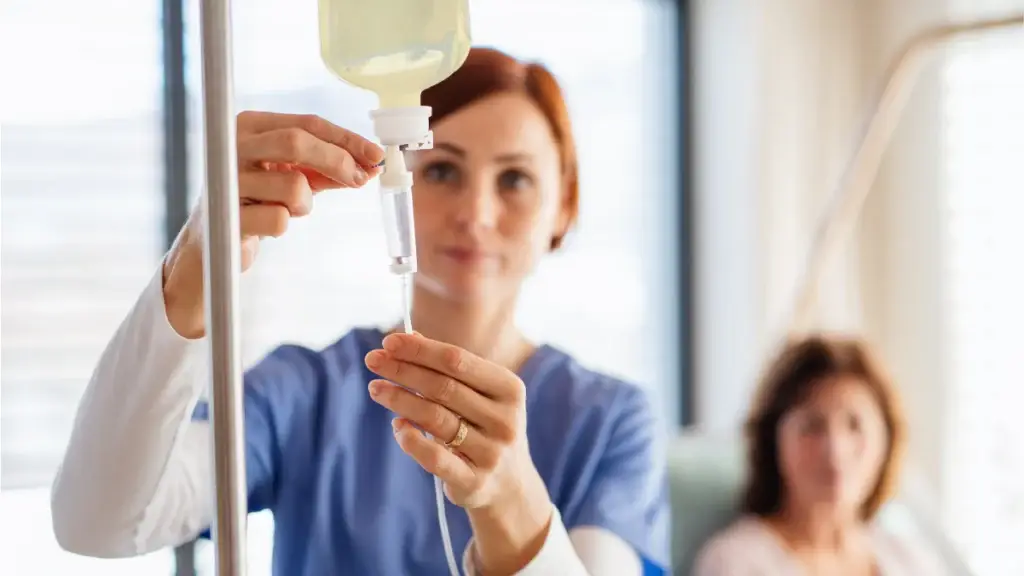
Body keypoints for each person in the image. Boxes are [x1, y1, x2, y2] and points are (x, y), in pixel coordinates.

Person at [50, 47, 669, 576]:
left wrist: (511, 500)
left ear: (565, 206)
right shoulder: (306, 393)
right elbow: (99, 521)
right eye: (444, 170)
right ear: (397, 177)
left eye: (514, 181)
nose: (475, 214)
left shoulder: (609, 423)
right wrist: (189, 277)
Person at [694, 336, 946, 575]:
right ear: (773, 439)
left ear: (887, 439)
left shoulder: (911, 559)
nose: (835, 450)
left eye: (855, 425)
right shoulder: (736, 563)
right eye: (812, 426)